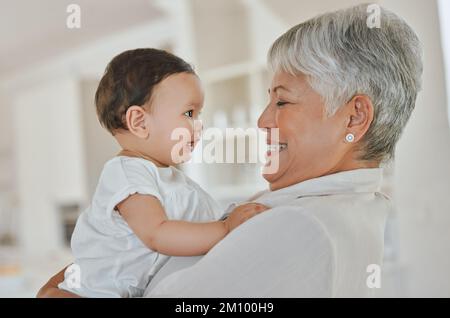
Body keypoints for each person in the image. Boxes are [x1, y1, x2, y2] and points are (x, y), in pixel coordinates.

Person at [38, 4, 423, 297]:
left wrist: (53, 290)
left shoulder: (302, 227)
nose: (261, 121)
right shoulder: (335, 210)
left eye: (282, 103)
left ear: (354, 118)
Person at [54, 48, 268, 298]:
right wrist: (226, 228)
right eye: (189, 113)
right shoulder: (127, 173)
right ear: (140, 122)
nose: (199, 125)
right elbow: (157, 233)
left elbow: (200, 216)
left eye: (199, 114)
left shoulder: (169, 176)